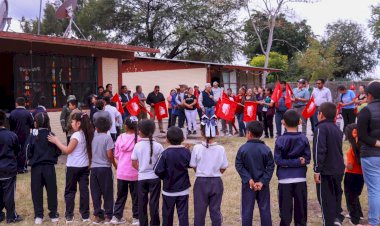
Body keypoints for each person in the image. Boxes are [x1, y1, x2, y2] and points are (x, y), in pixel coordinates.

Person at [48, 112, 94, 223]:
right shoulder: (87, 133)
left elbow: (68, 150)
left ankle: (69, 215)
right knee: (84, 191)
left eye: (72, 121)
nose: (71, 123)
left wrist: (56, 141)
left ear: (78, 123)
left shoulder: (76, 135)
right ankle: (85, 215)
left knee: (70, 191)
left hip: (73, 167)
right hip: (84, 167)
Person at [274, 110, 311, 226]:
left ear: (283, 123)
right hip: (299, 177)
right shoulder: (303, 138)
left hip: (285, 179)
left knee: (285, 211)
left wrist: (288, 163)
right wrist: (297, 162)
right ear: (300, 122)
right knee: (301, 212)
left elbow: (279, 161)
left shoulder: (280, 139)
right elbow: (306, 159)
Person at [190, 115, 228, 226]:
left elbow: (193, 165)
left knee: (199, 212)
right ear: (216, 132)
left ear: (202, 133)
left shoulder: (197, 148)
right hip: (216, 182)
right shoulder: (221, 149)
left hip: (201, 182)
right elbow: (223, 167)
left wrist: (201, 171)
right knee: (215, 210)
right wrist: (215, 172)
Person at [235, 121, 274, 226]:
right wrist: (262, 181)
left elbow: (238, 165)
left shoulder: (243, 149)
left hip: (248, 185)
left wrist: (248, 179)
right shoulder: (266, 149)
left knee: (247, 210)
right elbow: (270, 167)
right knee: (265, 210)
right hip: (263, 185)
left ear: (249, 134)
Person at [313, 102, 345, 226]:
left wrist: (317, 169)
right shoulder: (337, 129)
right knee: (336, 194)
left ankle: (329, 222)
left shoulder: (321, 128)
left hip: (326, 170)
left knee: (325, 199)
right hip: (338, 169)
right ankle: (337, 219)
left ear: (321, 114)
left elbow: (319, 150)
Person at [26, 112, 61, 224]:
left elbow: (27, 150)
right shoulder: (51, 134)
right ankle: (53, 214)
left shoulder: (33, 135)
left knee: (36, 191)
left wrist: (29, 159)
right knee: (52, 190)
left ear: (36, 123)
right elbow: (58, 150)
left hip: (36, 168)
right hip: (49, 167)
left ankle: (38, 215)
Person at [154, 126, 191, 226]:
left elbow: (157, 170)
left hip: (168, 190)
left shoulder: (164, 154)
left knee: (167, 215)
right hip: (183, 190)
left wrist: (165, 177)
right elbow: (190, 164)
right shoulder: (186, 152)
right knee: (183, 215)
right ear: (183, 139)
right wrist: (187, 151)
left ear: (167, 140)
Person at [131, 119, 164, 226]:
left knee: (142, 203)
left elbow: (134, 162)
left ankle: (143, 223)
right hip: (155, 178)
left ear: (140, 131)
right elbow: (162, 162)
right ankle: (155, 223)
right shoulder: (158, 146)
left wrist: (141, 169)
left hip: (142, 178)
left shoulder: (137, 146)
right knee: (154, 203)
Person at [357, 81, 380, 226]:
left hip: (371, 155)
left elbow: (362, 135)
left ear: (369, 95)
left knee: (374, 190)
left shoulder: (365, 110)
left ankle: (373, 221)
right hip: (373, 154)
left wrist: (377, 143)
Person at [111, 116, 140, 225]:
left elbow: (116, 155)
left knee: (120, 196)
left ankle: (116, 216)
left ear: (125, 126)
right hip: (135, 172)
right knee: (136, 197)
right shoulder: (139, 139)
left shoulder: (120, 137)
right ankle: (136, 218)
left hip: (122, 172)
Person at [90, 116, 117, 224]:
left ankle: (97, 215)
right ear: (109, 127)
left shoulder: (93, 138)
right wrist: (114, 164)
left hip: (94, 169)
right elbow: (110, 154)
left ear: (96, 127)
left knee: (95, 192)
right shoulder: (108, 138)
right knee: (107, 192)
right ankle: (108, 215)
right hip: (105, 168)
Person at [0, 110, 23, 223]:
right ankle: (11, 216)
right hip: (8, 168)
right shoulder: (12, 135)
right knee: (9, 194)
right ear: (4, 121)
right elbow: (17, 151)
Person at [343, 124, 364, 225]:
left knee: (351, 197)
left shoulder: (352, 148)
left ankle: (354, 218)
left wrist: (344, 162)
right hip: (361, 175)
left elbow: (350, 166)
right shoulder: (362, 145)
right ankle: (359, 213)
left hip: (351, 175)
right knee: (356, 195)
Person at [9, 96, 34, 173]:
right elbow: (32, 125)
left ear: (16, 104)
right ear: (24, 104)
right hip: (25, 136)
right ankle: (23, 167)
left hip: (15, 135)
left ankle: (16, 167)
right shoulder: (28, 113)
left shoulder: (12, 113)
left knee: (16, 151)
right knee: (24, 151)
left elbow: (11, 126)